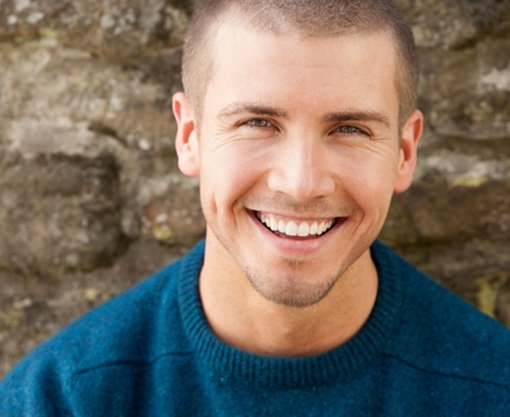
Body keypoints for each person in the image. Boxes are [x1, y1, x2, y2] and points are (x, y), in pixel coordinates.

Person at [1, 0, 509, 415]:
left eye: (350, 129)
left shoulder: (493, 391)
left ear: (404, 152)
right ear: (190, 136)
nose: (301, 183)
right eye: (258, 123)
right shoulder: (60, 400)